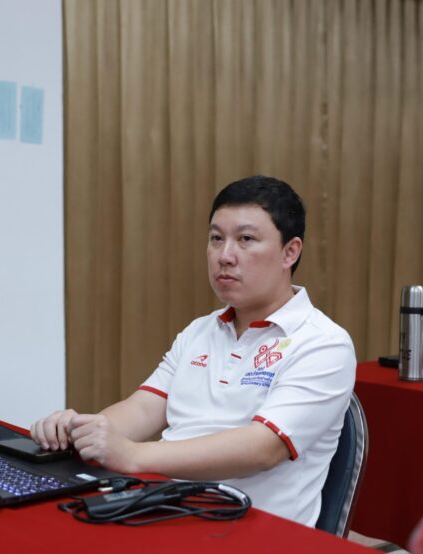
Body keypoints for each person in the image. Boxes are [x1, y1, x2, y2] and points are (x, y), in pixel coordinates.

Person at [30, 175, 356, 526]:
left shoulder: (324, 343)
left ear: (289, 252)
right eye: (216, 239)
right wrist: (80, 431)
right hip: (169, 511)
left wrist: (133, 455)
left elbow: (264, 448)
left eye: (246, 239)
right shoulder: (200, 330)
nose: (225, 256)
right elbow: (143, 409)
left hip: (255, 531)